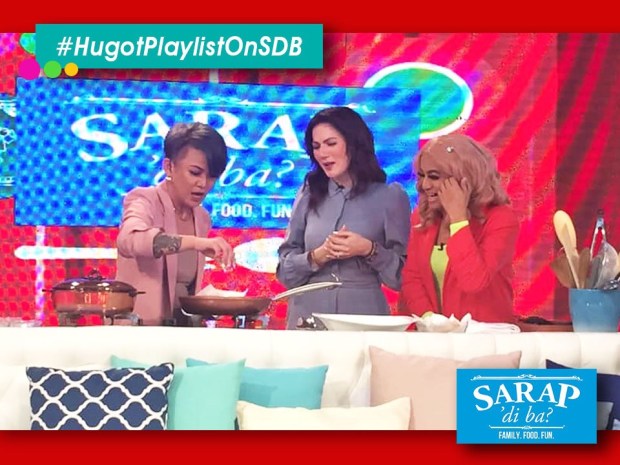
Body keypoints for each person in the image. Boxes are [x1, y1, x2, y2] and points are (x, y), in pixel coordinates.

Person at [276, 106, 411, 329]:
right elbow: (285, 272)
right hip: (308, 318)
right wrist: (318, 256)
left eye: (331, 143)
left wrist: (369, 250)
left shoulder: (390, 197)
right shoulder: (309, 193)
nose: (322, 153)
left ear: (354, 144)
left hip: (363, 319)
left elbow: (403, 278)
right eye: (316, 146)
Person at [116, 122, 234, 326]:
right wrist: (195, 243)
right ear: (168, 167)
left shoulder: (202, 217)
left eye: (212, 176)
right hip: (138, 333)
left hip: (182, 334)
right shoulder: (144, 200)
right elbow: (130, 240)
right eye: (195, 173)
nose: (203, 184)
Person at [398, 133, 519, 323]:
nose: (425, 185)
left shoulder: (501, 220)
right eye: (421, 176)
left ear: (465, 179)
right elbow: (412, 278)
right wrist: (430, 320)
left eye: (434, 176)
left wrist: (458, 219)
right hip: (431, 333)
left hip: (484, 334)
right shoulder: (422, 217)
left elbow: (474, 281)